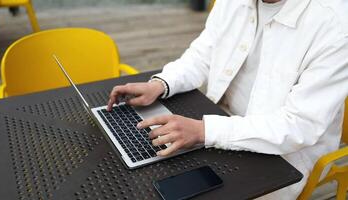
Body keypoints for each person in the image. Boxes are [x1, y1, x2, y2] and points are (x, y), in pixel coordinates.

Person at [107, 0, 348, 199]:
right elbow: (202, 55)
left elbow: (299, 126)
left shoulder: (335, 24)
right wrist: (160, 84)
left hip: (283, 157)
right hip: (216, 123)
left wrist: (204, 131)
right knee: (142, 175)